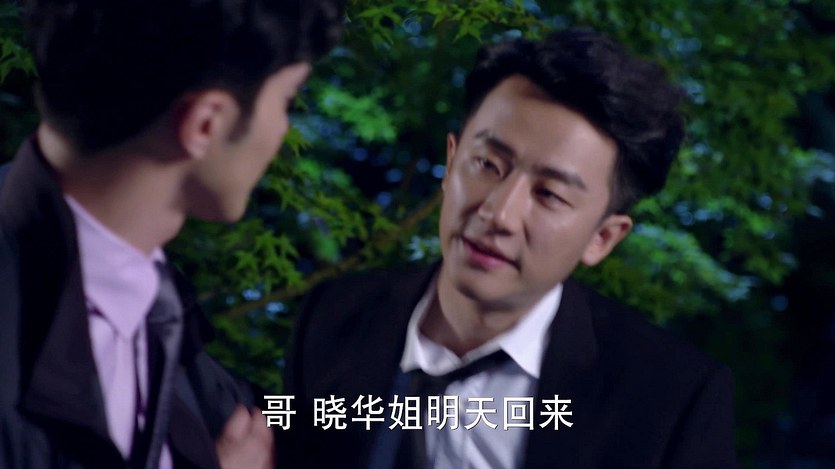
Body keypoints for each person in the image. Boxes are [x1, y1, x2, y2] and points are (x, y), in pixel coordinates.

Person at [282, 29, 737, 468]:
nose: (498, 213)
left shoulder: (670, 403)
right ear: (451, 162)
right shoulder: (331, 319)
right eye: (487, 164)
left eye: (550, 195)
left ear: (602, 238)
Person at [0, 0, 343, 468]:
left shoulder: (142, 291)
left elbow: (262, 416)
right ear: (205, 124)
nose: (283, 131)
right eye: (285, 101)